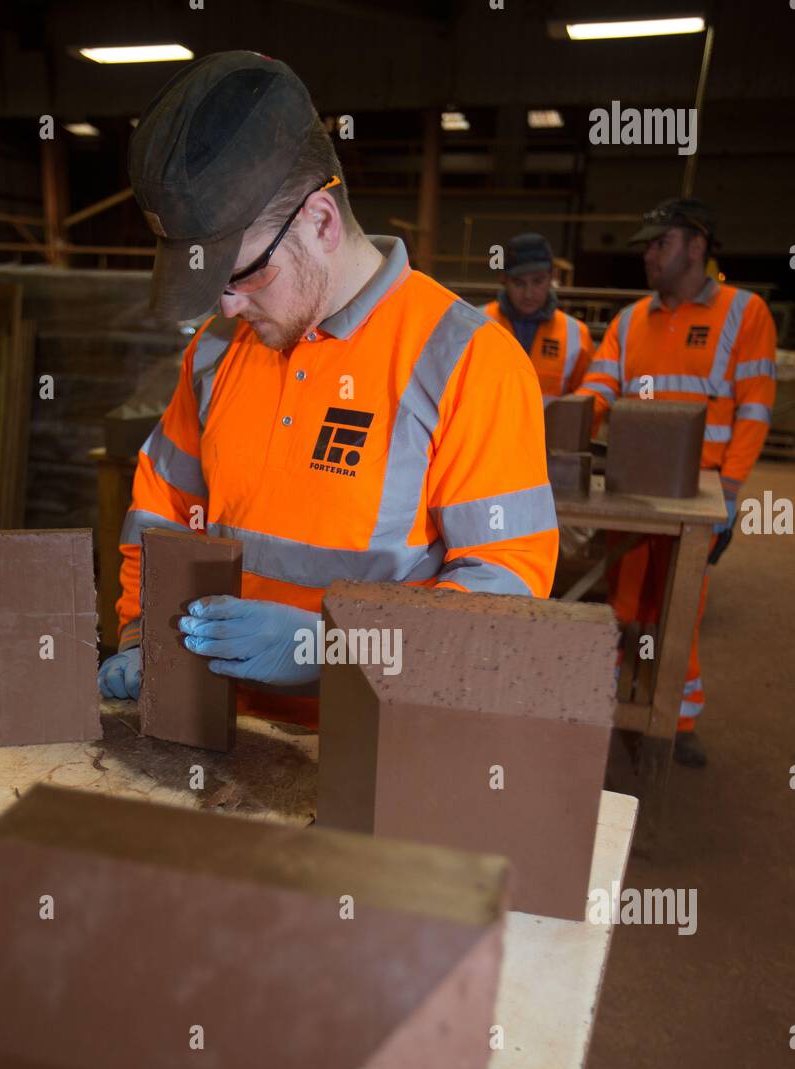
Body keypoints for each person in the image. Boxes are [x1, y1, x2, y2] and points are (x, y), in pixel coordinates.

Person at [99, 51, 558, 724]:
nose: (224, 308)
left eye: (244, 273)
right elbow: (162, 512)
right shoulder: (218, 351)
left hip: (372, 746)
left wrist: (334, 644)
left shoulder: (467, 362)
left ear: (320, 221)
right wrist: (144, 634)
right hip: (217, 725)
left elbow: (507, 593)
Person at [576, 198, 777, 767]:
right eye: (646, 245)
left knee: (677, 610)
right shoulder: (630, 320)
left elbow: (755, 407)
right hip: (634, 492)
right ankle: (609, 710)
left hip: (701, 496)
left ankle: (675, 720)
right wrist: (562, 435)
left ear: (696, 245)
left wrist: (731, 491)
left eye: (660, 243)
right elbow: (598, 389)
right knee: (623, 602)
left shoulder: (744, 312)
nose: (649, 255)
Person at [482, 234, 594, 401]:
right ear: (503, 279)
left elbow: (584, 405)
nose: (528, 294)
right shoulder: (476, 323)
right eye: (519, 283)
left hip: (551, 428)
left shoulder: (577, 334)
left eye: (538, 281)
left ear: (552, 277)